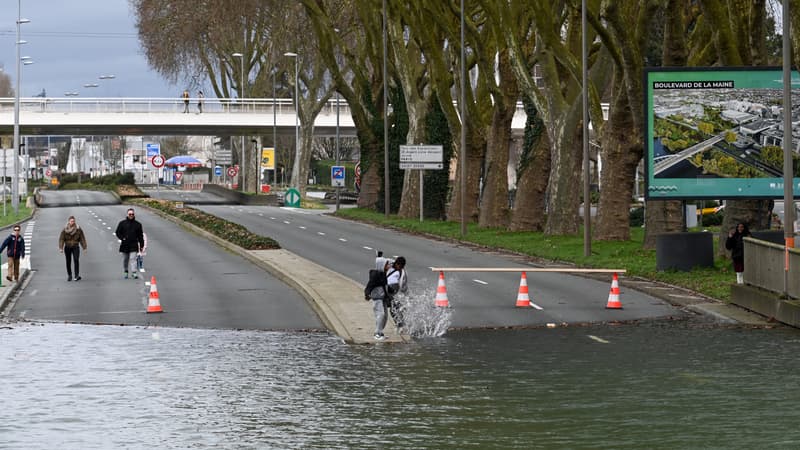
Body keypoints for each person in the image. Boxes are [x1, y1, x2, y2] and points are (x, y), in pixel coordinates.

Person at [364, 256, 392, 340]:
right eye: (386, 265)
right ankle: (377, 333)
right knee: (381, 314)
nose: (388, 266)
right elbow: (369, 286)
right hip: (377, 298)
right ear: (381, 265)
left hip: (383, 297)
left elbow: (385, 286)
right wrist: (367, 294)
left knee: (385, 316)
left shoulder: (383, 274)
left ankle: (380, 332)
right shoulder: (375, 275)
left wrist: (391, 291)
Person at [115, 208, 145, 279]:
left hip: (134, 244)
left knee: (133, 258)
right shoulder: (122, 223)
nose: (131, 215)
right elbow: (117, 232)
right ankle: (126, 271)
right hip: (125, 244)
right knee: (125, 259)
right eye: (130, 214)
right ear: (127, 214)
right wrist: (122, 238)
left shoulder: (138, 224)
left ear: (134, 215)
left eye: (132, 214)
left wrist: (141, 245)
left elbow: (140, 236)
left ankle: (134, 272)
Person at [58, 216, 87, 281]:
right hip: (67, 247)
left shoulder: (78, 229)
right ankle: (69, 275)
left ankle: (76, 275)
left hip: (75, 247)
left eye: (73, 221)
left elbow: (82, 238)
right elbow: (61, 239)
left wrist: (84, 247)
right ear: (69, 221)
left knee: (76, 260)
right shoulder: (65, 229)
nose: (72, 222)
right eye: (71, 221)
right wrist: (61, 248)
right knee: (68, 261)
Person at [386, 256, 408, 329]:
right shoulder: (390, 266)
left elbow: (403, 286)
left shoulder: (403, 273)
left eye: (401, 266)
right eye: (398, 265)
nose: (399, 267)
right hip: (388, 292)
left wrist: (403, 295)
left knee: (394, 310)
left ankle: (400, 325)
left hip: (397, 294)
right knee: (393, 310)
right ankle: (400, 324)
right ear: (396, 263)